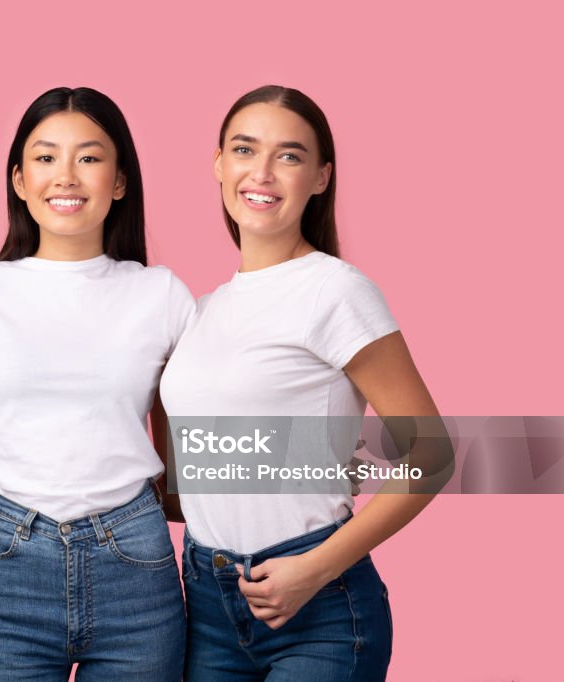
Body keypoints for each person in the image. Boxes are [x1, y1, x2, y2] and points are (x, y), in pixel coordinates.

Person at [159, 85, 451, 681]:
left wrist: (313, 569)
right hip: (208, 600)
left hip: (317, 608)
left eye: (289, 156)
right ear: (219, 164)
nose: (261, 172)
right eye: (244, 149)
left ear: (320, 177)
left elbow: (433, 452)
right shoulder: (204, 309)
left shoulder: (335, 291)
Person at [0, 86, 190, 680]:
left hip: (135, 562)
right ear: (18, 179)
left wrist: (335, 469)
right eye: (45, 157)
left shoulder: (161, 294)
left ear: (119, 181)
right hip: (5, 565)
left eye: (88, 157)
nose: (66, 176)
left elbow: (195, 449)